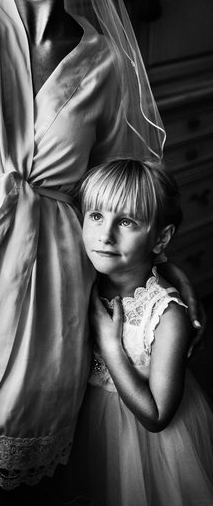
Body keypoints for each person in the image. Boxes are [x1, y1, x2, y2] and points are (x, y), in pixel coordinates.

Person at [0, 0, 203, 501]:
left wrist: (158, 264)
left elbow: (118, 184)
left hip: (49, 284)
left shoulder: (103, 62)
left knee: (9, 462)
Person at [62, 158, 213, 505]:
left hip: (147, 449)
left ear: (161, 238)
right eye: (96, 216)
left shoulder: (166, 315)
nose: (105, 234)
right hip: (87, 431)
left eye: (126, 221)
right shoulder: (84, 280)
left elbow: (157, 417)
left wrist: (110, 347)